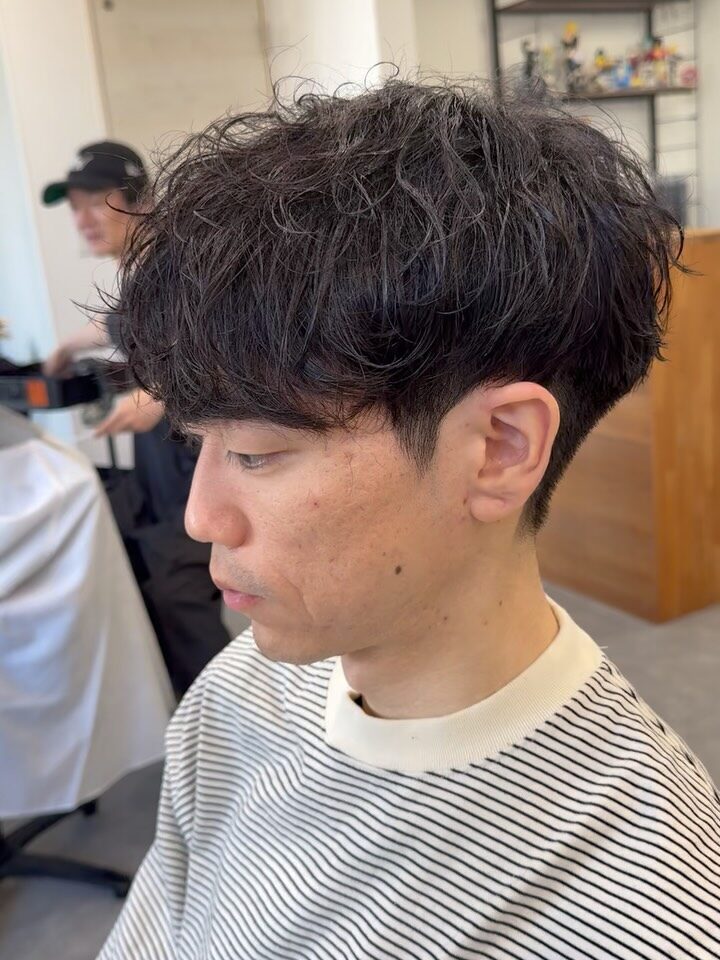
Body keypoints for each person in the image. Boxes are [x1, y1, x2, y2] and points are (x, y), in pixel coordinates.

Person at [99, 82, 720, 959]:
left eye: (257, 453)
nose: (201, 518)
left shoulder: (651, 913)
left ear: (499, 448)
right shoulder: (238, 692)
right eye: (199, 443)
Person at [42, 141, 230, 695]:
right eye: (75, 207)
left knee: (180, 594)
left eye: (96, 202)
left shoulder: (178, 261)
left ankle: (228, 718)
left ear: (140, 200)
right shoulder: (141, 269)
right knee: (157, 588)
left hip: (195, 460)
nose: (83, 219)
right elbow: (122, 321)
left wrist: (160, 396)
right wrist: (68, 347)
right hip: (159, 462)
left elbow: (226, 345)